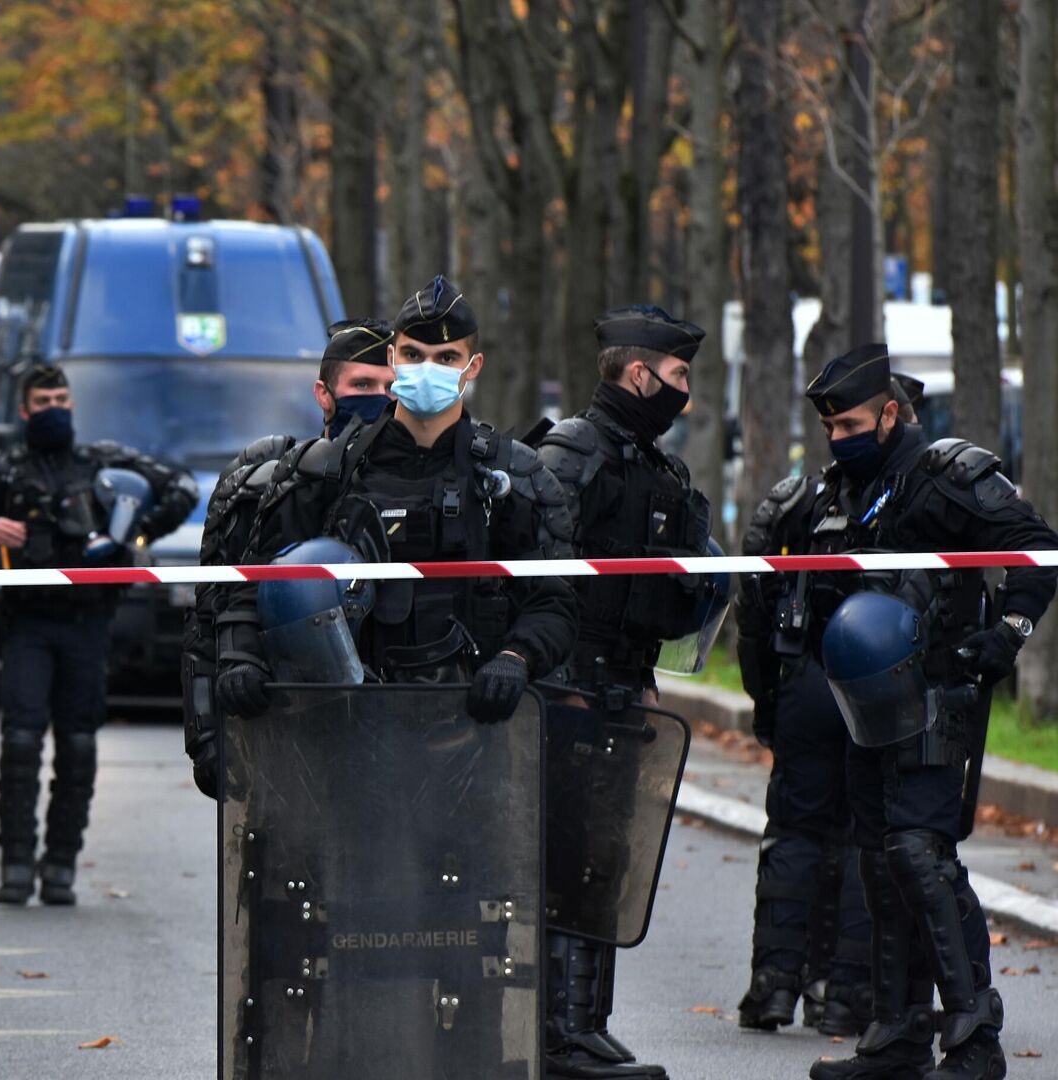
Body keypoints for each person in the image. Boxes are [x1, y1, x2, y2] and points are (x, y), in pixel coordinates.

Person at [793, 346, 1058, 1080]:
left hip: (942, 694)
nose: (837, 436)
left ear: (888, 414)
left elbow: (1037, 550)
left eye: (849, 422)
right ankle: (899, 1032)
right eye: (828, 425)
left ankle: (975, 1039)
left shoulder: (947, 475)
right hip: (865, 705)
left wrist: (1006, 635)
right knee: (879, 860)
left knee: (920, 854)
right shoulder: (844, 491)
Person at [214, 274, 577, 723]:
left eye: (447, 357)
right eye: (413, 355)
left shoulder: (515, 477)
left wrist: (516, 657)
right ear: (392, 357)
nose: (427, 369)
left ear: (474, 365)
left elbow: (555, 602)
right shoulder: (324, 469)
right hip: (341, 727)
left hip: (474, 735)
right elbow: (254, 584)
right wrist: (242, 658)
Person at [535, 305, 722, 1080]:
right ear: (638, 374)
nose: (685, 392)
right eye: (678, 376)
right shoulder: (570, 453)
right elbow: (539, 574)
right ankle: (553, 1032)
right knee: (564, 856)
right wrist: (557, 678)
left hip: (623, 680)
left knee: (607, 858)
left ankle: (587, 1023)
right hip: (569, 683)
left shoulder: (657, 467)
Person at [0, 365, 198, 906]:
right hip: (26, 624)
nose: (54, 406)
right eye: (43, 399)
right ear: (24, 409)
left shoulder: (101, 462)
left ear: (72, 403)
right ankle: (15, 864)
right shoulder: (2, 469)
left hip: (87, 624)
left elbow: (181, 489)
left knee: (78, 745)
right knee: (21, 741)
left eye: (61, 397)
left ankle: (61, 865)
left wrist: (128, 533)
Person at [729, 375, 932, 1039]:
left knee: (792, 833)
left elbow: (753, 606)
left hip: (803, 677)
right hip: (876, 684)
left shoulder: (797, 498)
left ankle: (772, 985)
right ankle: (844, 996)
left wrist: (767, 697)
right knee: (859, 839)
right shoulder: (918, 495)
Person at [181, 317, 396, 799]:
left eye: (390, 386)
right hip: (289, 736)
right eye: (362, 384)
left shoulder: (429, 482)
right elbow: (212, 614)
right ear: (324, 394)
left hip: (402, 731)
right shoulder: (274, 483)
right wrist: (209, 737)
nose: (379, 398)